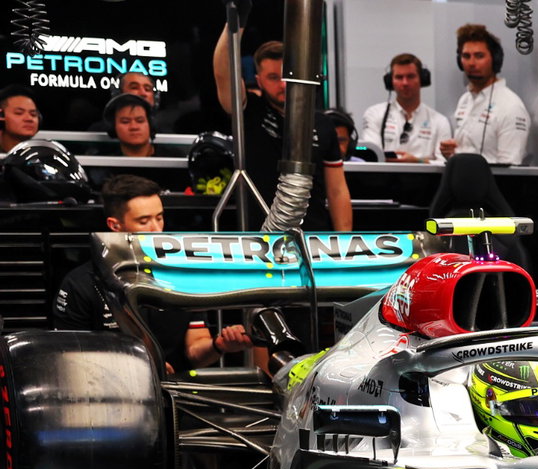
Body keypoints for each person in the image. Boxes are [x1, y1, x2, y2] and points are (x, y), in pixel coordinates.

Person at [52, 175, 251, 375]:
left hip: (175, 390)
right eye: (144, 221)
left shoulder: (182, 276)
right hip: (106, 389)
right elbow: (73, 360)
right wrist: (139, 367)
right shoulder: (80, 284)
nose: (156, 229)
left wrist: (219, 345)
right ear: (114, 225)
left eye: (159, 217)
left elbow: (195, 350)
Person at [211, 33, 352, 230]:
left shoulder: (323, 123)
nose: (283, 85)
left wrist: (344, 240)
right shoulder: (250, 111)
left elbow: (337, 190)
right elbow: (223, 74)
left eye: (287, 76)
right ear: (259, 81)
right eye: (273, 77)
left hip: (313, 236)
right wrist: (235, 26)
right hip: (260, 236)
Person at [439, 24, 530, 165]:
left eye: (479, 56)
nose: (471, 63)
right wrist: (452, 154)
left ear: (495, 60)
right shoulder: (465, 100)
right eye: (466, 56)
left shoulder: (511, 106)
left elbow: (510, 168)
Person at [362, 53, 451, 163]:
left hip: (424, 174)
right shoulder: (374, 114)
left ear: (422, 79)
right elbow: (373, 156)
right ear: (390, 81)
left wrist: (418, 161)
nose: (405, 83)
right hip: (385, 174)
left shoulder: (440, 121)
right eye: (399, 77)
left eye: (411, 76)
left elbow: (444, 163)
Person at [105, 93, 156, 158]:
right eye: (125, 122)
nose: (134, 127)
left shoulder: (168, 159)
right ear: (113, 128)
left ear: (150, 125)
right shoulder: (102, 162)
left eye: (140, 121)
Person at [0, 86, 40, 153]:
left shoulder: (44, 155)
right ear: (1, 115)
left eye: (33, 114)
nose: (29, 119)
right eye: (19, 113)